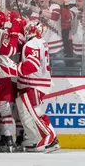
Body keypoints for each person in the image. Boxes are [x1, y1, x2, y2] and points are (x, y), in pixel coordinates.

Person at [15, 22, 60, 153]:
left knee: (35, 112)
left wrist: (14, 68)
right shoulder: (41, 42)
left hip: (34, 83)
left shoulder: (31, 44)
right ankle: (35, 139)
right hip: (37, 82)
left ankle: (50, 138)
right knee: (29, 111)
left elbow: (31, 66)